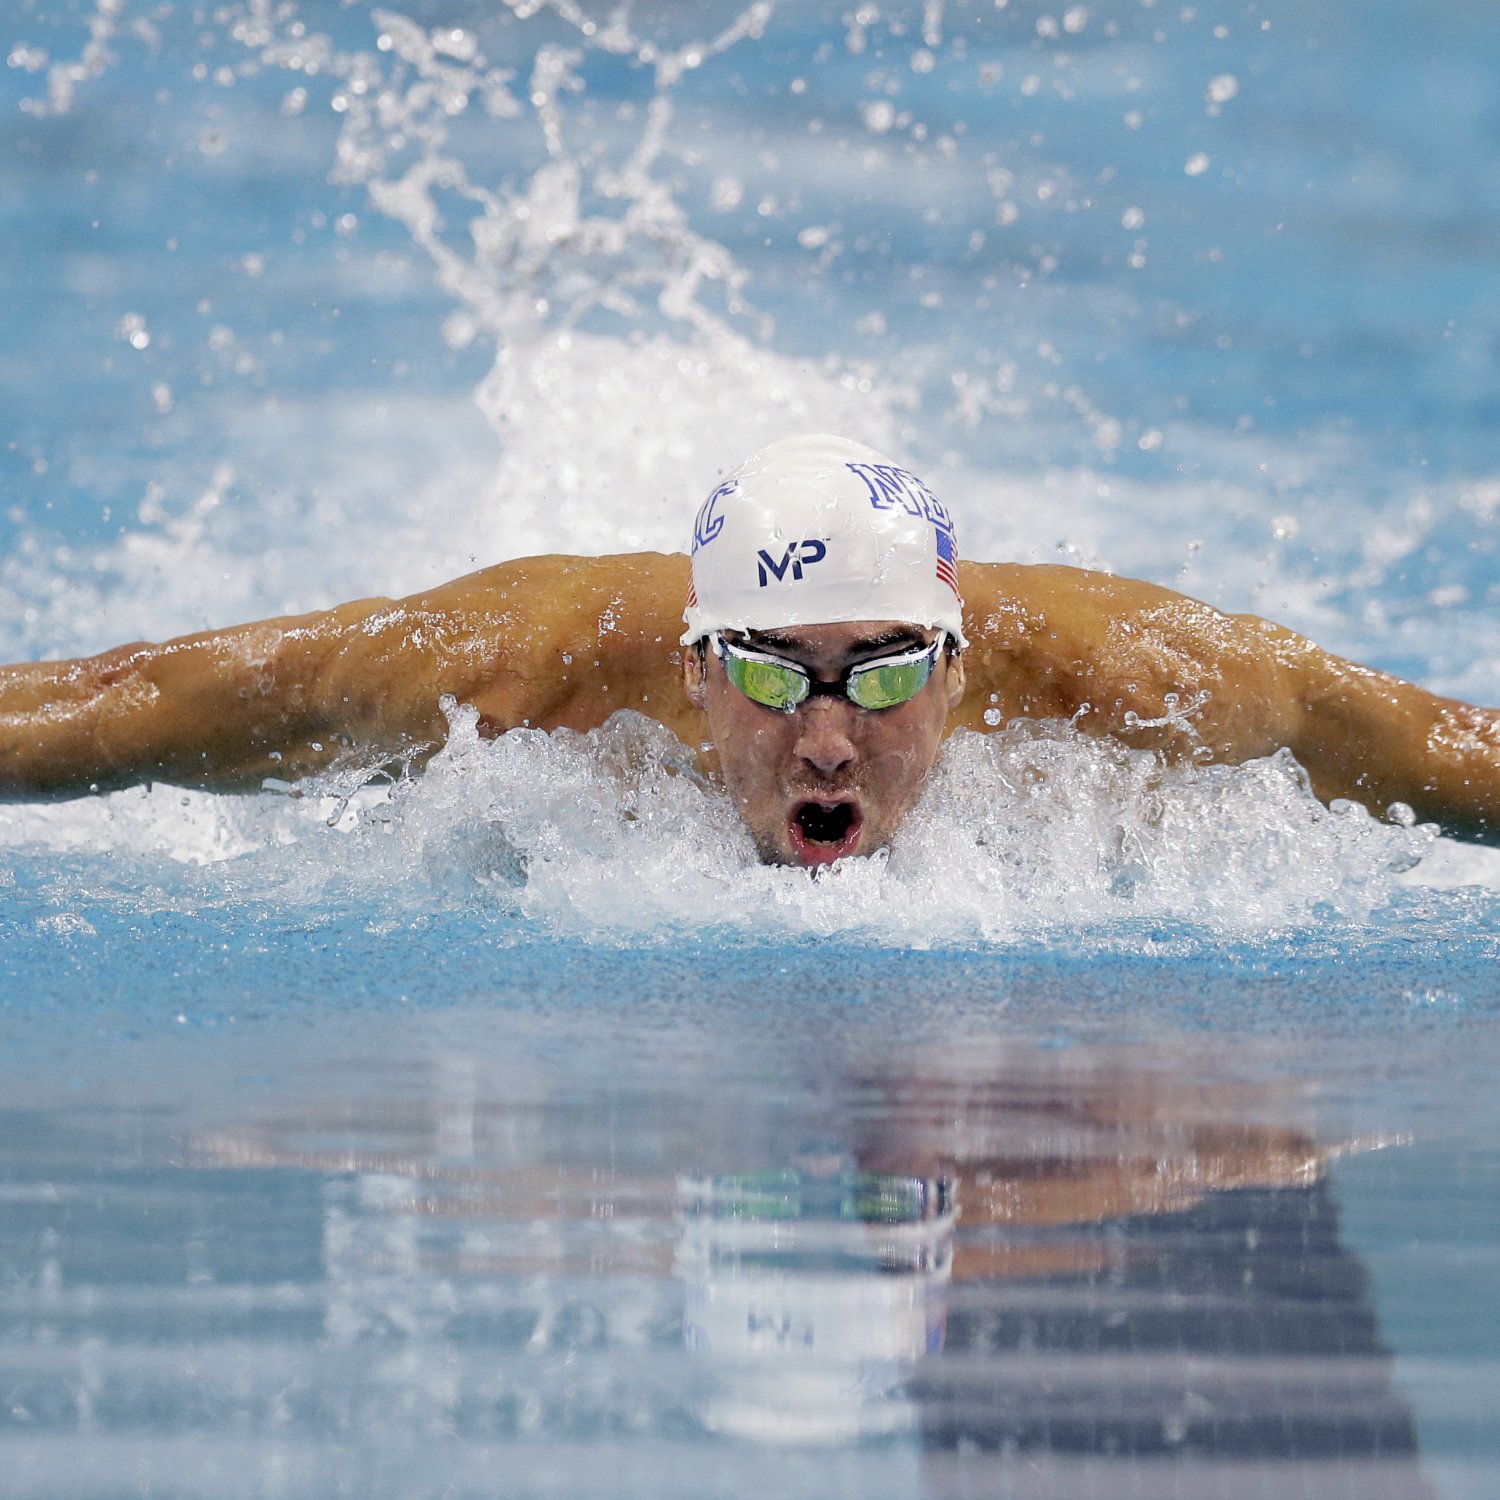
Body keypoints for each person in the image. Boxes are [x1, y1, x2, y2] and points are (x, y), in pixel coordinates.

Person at [2, 433, 1498, 863]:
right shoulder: (520, 666)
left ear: (964, 667)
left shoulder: (1137, 678)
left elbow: (1429, 735)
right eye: (776, 676)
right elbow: (135, 696)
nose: (830, 739)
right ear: (696, 663)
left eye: (890, 671)